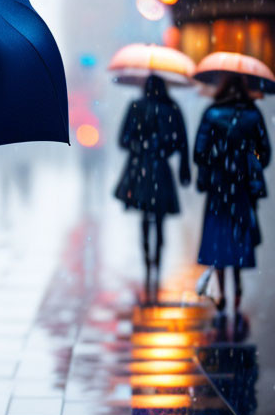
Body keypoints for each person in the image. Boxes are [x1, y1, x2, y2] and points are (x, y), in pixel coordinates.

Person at [194, 75, 271, 316]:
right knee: (238, 235)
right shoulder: (254, 115)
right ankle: (237, 291)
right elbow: (265, 153)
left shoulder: (212, 114)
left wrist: (217, 162)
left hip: (219, 186)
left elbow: (199, 152)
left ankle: (220, 293)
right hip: (242, 187)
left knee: (218, 235)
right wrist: (248, 162)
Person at [113, 75, 190, 298]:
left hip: (141, 169)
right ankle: (157, 261)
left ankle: (147, 261)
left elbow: (123, 140)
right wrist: (166, 150)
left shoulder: (136, 106)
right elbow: (181, 142)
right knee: (159, 218)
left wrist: (140, 144)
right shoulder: (172, 108)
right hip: (161, 170)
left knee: (145, 217)